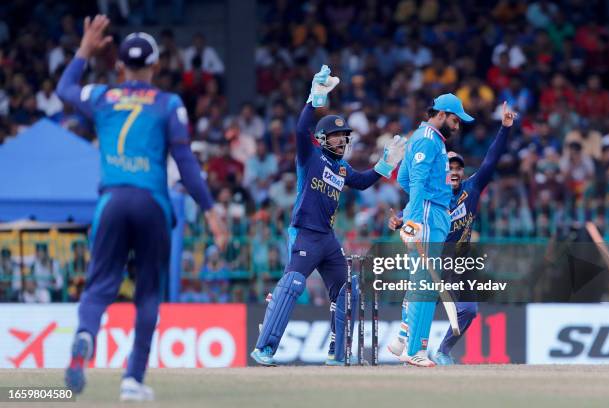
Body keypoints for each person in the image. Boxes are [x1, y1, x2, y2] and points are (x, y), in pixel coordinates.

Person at [56, 15, 227, 400]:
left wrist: (85, 49)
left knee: (99, 287)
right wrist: (211, 209)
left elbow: (64, 88)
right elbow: (185, 162)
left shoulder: (101, 96)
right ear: (155, 65)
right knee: (148, 293)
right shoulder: (168, 104)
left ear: (119, 66)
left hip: (112, 200)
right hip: (151, 203)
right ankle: (133, 379)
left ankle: (85, 336)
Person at [250, 65, 406, 366]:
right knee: (293, 285)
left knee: (349, 292)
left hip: (327, 239)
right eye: (336, 137)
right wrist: (315, 99)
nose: (342, 141)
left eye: (344, 137)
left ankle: (338, 354)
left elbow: (361, 182)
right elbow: (299, 130)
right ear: (322, 139)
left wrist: (384, 164)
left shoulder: (342, 168)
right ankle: (265, 348)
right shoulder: (310, 157)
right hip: (305, 232)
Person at [388, 102, 517, 365]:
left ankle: (431, 347)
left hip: (458, 260)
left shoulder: (470, 187)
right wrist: (407, 219)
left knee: (463, 307)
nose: (453, 171)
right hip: (434, 243)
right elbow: (416, 186)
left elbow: (491, 159)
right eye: (450, 167)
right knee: (421, 289)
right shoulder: (433, 160)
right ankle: (408, 341)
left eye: (457, 167)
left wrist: (504, 129)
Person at [391, 93, 474, 367]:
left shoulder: (427, 139)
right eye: (455, 119)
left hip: (432, 213)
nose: (457, 125)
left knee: (423, 283)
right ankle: (415, 349)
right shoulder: (427, 139)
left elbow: (403, 177)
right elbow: (413, 179)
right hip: (428, 216)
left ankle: (407, 341)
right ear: (440, 114)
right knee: (425, 285)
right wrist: (414, 219)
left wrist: (424, 200)